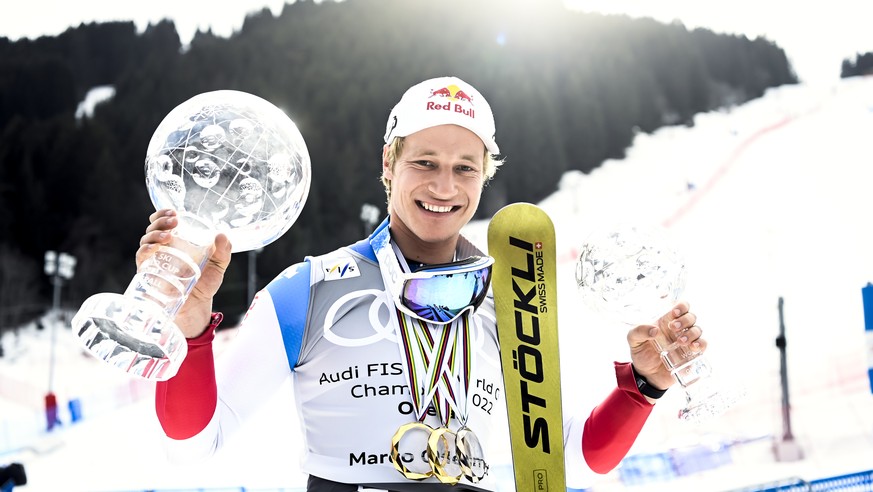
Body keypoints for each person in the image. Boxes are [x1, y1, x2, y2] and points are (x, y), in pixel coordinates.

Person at [138, 76, 706, 491]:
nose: (444, 185)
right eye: (425, 162)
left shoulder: (516, 301)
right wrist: (190, 334)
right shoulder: (305, 290)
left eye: (465, 167)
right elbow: (190, 448)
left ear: (486, 174)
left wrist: (643, 387)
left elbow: (575, 456)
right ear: (389, 162)